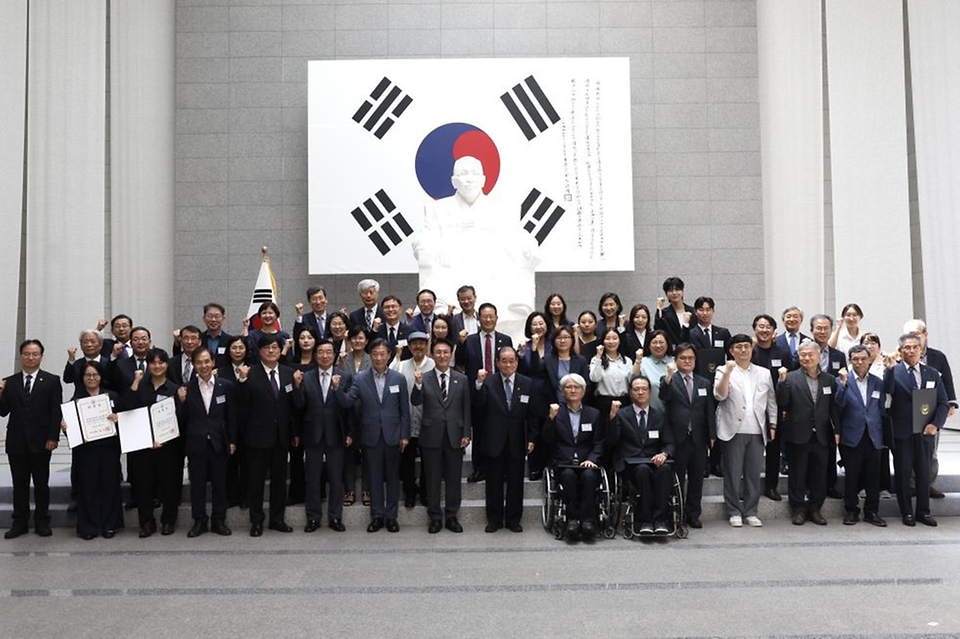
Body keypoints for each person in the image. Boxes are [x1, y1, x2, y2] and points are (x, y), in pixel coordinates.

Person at [413, 156, 540, 340]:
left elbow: (519, 236)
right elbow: (423, 238)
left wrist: (529, 247)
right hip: (452, 268)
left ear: (483, 179)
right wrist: (436, 247)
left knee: (511, 280)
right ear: (454, 181)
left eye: (474, 173)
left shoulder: (502, 208)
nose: (469, 178)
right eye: (463, 174)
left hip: (491, 267)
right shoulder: (437, 209)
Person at [237, 334, 304, 537]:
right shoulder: (250, 374)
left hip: (282, 437)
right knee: (256, 481)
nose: (271, 351)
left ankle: (277, 519)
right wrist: (241, 381)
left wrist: (298, 386)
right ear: (259, 352)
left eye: (275, 347)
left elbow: (297, 406)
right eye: (266, 348)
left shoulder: (288, 373)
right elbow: (241, 406)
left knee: (279, 481)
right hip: (257, 437)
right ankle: (256, 521)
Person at [342, 339, 411, 533]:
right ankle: (377, 516)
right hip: (370, 435)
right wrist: (336, 389)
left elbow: (404, 410)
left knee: (392, 477)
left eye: (383, 354)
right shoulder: (360, 378)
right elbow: (347, 402)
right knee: (373, 478)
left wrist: (404, 435)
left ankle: (391, 517)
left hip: (393, 435)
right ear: (369, 356)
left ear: (389, 355)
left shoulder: (398, 378)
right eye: (375, 354)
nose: (379, 358)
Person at [883, 332, 948, 527]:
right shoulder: (894, 371)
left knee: (923, 473)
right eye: (907, 348)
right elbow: (887, 392)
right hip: (902, 433)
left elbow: (943, 402)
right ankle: (907, 512)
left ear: (921, 350)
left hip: (925, 433)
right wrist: (889, 370)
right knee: (903, 473)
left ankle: (923, 511)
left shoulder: (932, 373)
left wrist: (935, 424)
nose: (911, 351)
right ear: (900, 351)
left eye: (915, 347)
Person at [714, 334, 778, 528]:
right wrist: (727, 372)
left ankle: (751, 510)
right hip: (733, 429)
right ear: (731, 350)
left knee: (752, 473)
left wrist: (773, 424)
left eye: (747, 346)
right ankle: (733, 510)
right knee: (732, 473)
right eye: (739, 347)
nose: (743, 350)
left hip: (757, 430)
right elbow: (719, 395)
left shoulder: (764, 373)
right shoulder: (722, 369)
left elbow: (771, 401)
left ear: (752, 349)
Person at [1, 340, 62, 539]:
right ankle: (19, 522)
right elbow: (3, 412)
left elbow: (55, 412)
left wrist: (53, 437)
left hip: (42, 441)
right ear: (21, 356)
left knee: (41, 483)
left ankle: (42, 521)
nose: (31, 357)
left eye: (35, 354)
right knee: (19, 484)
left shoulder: (52, 380)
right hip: (16, 441)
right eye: (27, 354)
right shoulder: (9, 382)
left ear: (41, 357)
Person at [474, 346, 538, 533]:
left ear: (517, 362)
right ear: (497, 362)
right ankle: (494, 519)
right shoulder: (489, 382)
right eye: (504, 360)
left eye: (512, 360)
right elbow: (479, 406)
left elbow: (532, 415)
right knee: (493, 482)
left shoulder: (527, 383)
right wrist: (478, 384)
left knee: (516, 482)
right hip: (494, 440)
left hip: (517, 440)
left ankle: (513, 519)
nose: (508, 364)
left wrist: (532, 437)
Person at [411, 338, 471, 533]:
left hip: (455, 435)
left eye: (446, 352)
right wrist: (418, 385)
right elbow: (415, 401)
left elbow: (466, 409)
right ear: (432, 354)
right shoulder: (424, 377)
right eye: (438, 352)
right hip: (431, 435)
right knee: (432, 478)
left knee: (454, 479)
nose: (442, 356)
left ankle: (452, 516)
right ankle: (435, 517)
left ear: (451, 354)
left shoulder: (461, 378)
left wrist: (466, 433)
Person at [775, 340, 837, 526]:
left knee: (819, 474)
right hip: (798, 433)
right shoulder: (791, 378)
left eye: (810, 355)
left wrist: (838, 431)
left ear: (819, 357)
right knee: (797, 474)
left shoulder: (829, 380)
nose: (807, 358)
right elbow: (782, 402)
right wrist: (781, 382)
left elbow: (834, 409)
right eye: (803, 355)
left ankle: (815, 508)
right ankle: (798, 509)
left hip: (822, 434)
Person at [176, 347, 237, 537]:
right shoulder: (187, 388)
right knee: (198, 485)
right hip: (196, 443)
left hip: (219, 442)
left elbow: (232, 416)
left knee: (220, 484)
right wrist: (181, 402)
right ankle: (199, 521)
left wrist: (232, 440)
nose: (203, 365)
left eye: (206, 361)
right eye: (199, 362)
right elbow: (181, 420)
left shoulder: (225, 386)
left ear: (213, 362)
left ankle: (219, 520)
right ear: (194, 365)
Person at [123, 348, 183, 537]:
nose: (157, 366)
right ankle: (146, 522)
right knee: (143, 486)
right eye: (153, 363)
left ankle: (168, 521)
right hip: (143, 447)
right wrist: (135, 382)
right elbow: (127, 408)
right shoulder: (139, 386)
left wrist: (163, 439)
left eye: (161, 362)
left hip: (168, 447)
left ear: (167, 365)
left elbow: (179, 419)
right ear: (147, 365)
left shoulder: (174, 389)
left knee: (169, 485)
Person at [658, 344, 715, 528]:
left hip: (699, 438)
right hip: (678, 438)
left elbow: (709, 412)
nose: (687, 361)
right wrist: (667, 377)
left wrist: (712, 435)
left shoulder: (704, 382)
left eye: (691, 358)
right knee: (678, 478)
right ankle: (676, 513)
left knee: (697, 479)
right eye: (683, 358)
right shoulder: (669, 380)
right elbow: (664, 397)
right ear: (676, 360)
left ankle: (693, 514)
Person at [608, 375, 674, 535]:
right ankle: (644, 520)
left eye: (644, 389)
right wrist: (612, 419)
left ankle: (660, 520)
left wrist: (664, 454)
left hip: (654, 461)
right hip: (630, 464)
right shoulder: (621, 415)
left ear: (650, 393)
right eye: (636, 389)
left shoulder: (659, 416)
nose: (640, 392)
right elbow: (611, 441)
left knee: (665, 470)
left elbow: (669, 442)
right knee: (643, 470)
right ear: (630, 393)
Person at [541, 374, 603, 541]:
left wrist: (592, 459)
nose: (573, 390)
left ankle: (588, 521)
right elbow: (546, 440)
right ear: (562, 391)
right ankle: (573, 520)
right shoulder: (556, 412)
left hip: (586, 461)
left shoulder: (594, 414)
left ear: (583, 391)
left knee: (590, 476)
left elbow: (598, 442)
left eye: (577, 387)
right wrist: (550, 419)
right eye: (568, 387)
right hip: (563, 462)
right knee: (567, 476)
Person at [300, 339, 353, 532]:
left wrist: (350, 432)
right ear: (315, 355)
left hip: (336, 433)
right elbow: (299, 406)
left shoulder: (345, 377)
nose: (324, 355)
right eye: (321, 352)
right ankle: (313, 517)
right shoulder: (305, 377)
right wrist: (297, 388)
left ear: (334, 355)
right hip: (312, 434)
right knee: (313, 478)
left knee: (336, 479)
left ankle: (335, 517)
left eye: (328, 352)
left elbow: (349, 408)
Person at [66, 361, 123, 540]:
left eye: (95, 375)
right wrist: (66, 427)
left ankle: (109, 525)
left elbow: (125, 421)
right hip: (86, 451)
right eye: (87, 375)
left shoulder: (112, 396)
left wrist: (117, 418)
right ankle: (88, 527)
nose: (91, 378)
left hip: (109, 449)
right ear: (82, 378)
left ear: (101, 377)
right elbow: (71, 432)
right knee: (87, 488)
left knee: (109, 486)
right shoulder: (75, 401)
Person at [903, 318, 957, 499]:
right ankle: (910, 485)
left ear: (925, 335)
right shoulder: (901, 355)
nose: (913, 340)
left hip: (931, 409)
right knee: (910, 451)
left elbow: (947, 380)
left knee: (930, 451)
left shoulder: (937, 356)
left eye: (917, 335)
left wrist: (951, 402)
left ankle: (927, 484)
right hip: (909, 411)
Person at [460, 302, 513, 483]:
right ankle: (479, 468)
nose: (488, 319)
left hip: (500, 391)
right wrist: (460, 344)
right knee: (480, 429)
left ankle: (504, 469)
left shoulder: (505, 340)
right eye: (484, 316)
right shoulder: (471, 340)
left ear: (496, 319)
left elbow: (509, 366)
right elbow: (461, 361)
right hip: (477, 390)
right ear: (479, 319)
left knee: (501, 429)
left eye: (491, 316)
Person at [834, 344, 887, 526]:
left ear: (869, 359)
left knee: (874, 476)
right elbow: (838, 406)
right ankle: (851, 510)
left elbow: (882, 409)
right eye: (855, 359)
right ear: (850, 361)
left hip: (874, 435)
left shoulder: (878, 382)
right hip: (852, 435)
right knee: (852, 476)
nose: (859, 362)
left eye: (863, 358)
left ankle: (872, 511)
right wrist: (841, 385)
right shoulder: (842, 380)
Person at [750, 313, 793, 500]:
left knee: (774, 450)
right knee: (751, 449)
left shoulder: (782, 353)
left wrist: (785, 407)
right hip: (752, 407)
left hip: (776, 407)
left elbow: (790, 379)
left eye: (768, 327)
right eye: (760, 326)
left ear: (774, 331)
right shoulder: (749, 351)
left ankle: (771, 486)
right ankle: (748, 487)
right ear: (754, 329)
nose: (764, 330)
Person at [390, 331, 434, 508]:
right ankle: (409, 493)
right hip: (406, 421)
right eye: (414, 343)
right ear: (409, 345)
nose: (418, 347)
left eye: (421, 343)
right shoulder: (401, 366)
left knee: (428, 460)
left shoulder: (433, 365)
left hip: (428, 422)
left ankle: (425, 493)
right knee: (407, 461)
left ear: (426, 345)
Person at [810, 314, 846, 499]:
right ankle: (811, 486)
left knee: (831, 445)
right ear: (811, 330)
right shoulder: (804, 351)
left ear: (831, 330)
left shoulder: (838, 355)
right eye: (818, 328)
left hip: (831, 406)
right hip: (809, 406)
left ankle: (830, 484)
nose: (822, 331)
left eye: (826, 328)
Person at [519, 312, 550, 481]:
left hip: (549, 393)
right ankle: (534, 466)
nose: (538, 327)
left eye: (541, 323)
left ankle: (548, 464)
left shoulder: (554, 344)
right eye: (534, 324)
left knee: (549, 430)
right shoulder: (524, 345)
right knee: (533, 429)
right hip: (531, 393)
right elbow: (522, 372)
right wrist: (524, 354)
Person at [588, 328, 633, 434]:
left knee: (624, 434)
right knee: (605, 434)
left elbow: (632, 381)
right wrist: (599, 357)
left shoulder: (627, 361)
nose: (611, 342)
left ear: (619, 341)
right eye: (607, 338)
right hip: (604, 403)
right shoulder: (596, 360)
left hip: (624, 402)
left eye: (614, 338)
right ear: (603, 341)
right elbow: (595, 378)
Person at [639, 330, 674, 414]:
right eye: (654, 342)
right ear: (649, 345)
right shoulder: (643, 362)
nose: (658, 345)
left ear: (667, 344)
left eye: (661, 342)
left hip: (675, 414)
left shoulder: (675, 361)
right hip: (651, 414)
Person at [107, 326, 152, 392]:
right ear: (130, 343)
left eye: (144, 339)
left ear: (149, 342)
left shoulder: (157, 364)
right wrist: (113, 356)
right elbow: (111, 380)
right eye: (136, 339)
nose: (140, 342)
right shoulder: (121, 365)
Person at [654, 277, 693, 350]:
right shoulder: (664, 313)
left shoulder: (692, 311)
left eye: (677, 289)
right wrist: (659, 308)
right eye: (671, 290)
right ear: (666, 294)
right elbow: (658, 330)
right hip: (672, 352)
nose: (674, 293)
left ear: (682, 291)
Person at [376, 295, 411, 362]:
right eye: (387, 307)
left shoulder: (409, 331)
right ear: (382, 311)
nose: (390, 309)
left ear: (400, 309)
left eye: (393, 306)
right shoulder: (377, 331)